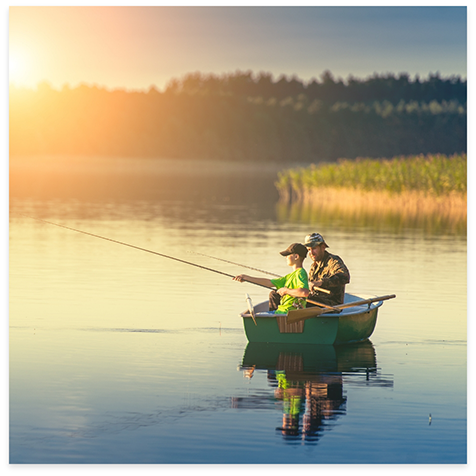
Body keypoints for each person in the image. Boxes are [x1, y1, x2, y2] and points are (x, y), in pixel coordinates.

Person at [233, 243, 309, 314]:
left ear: (296, 256)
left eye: (288, 255)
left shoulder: (300, 273)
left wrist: (286, 290)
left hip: (287, 313)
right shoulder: (289, 276)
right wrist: (246, 277)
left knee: (259, 315)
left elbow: (304, 292)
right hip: (281, 311)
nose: (286, 257)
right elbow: (268, 282)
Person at [303, 232, 350, 306]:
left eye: (314, 248)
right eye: (309, 249)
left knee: (303, 302)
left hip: (331, 305)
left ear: (323, 247)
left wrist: (320, 282)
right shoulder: (313, 266)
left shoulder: (333, 261)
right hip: (316, 301)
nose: (311, 252)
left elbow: (344, 276)